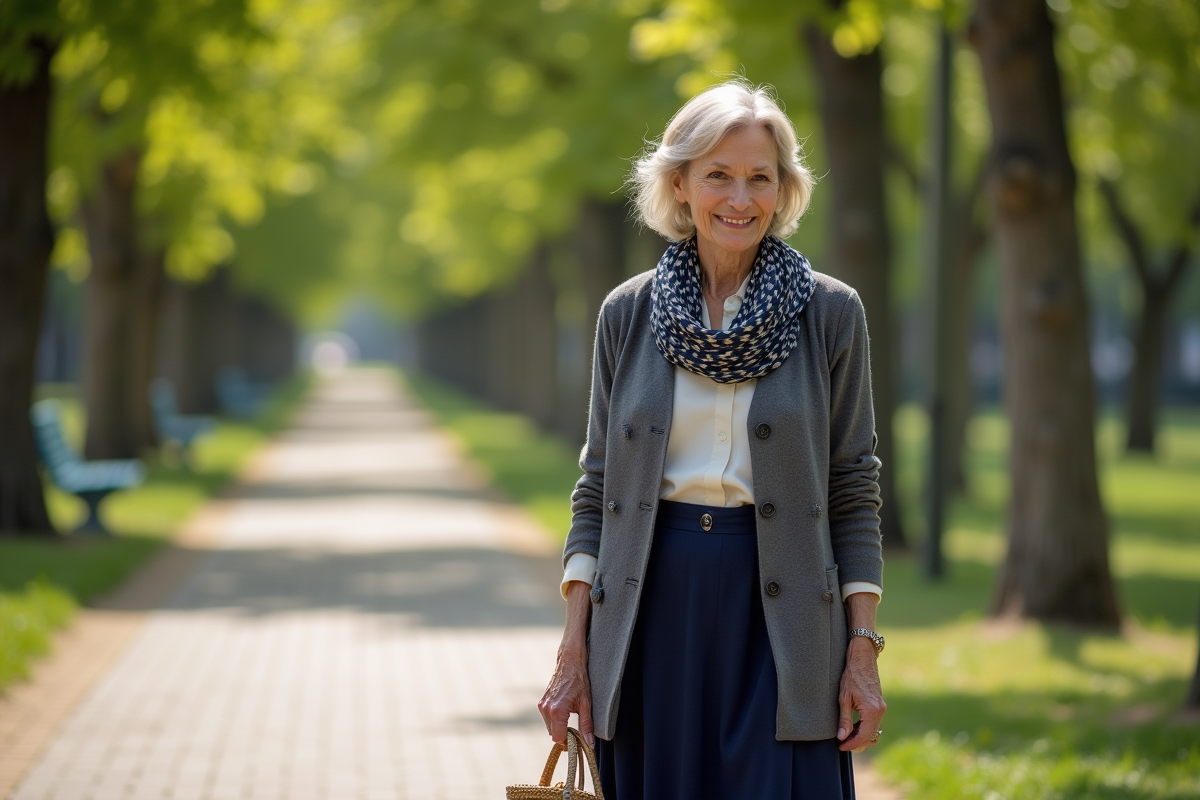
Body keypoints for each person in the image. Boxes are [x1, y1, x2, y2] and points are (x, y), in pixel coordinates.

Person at [538, 79, 886, 800]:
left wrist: (862, 650)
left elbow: (853, 486)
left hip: (783, 619)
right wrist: (574, 651)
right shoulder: (627, 313)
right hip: (651, 608)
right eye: (718, 176)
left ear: (784, 190)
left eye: (760, 177)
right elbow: (597, 486)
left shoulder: (830, 314)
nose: (740, 198)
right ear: (680, 185)